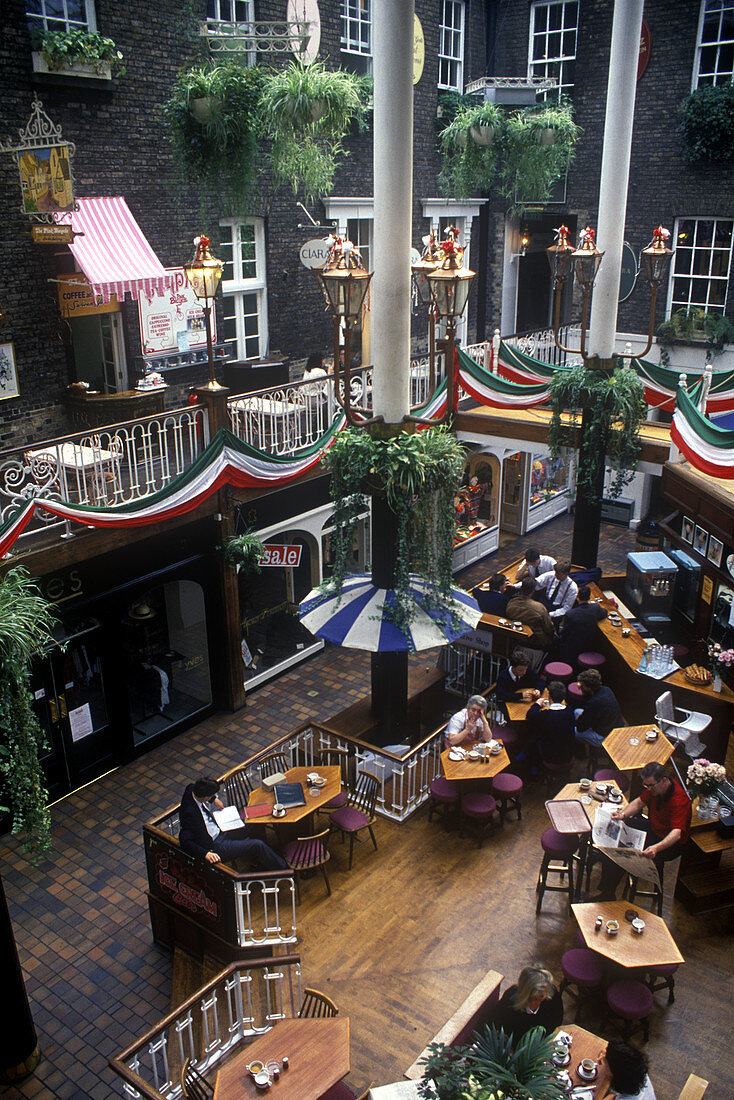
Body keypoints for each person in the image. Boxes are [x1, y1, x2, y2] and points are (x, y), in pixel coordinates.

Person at [596, 762, 692, 901]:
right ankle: (608, 874)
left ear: (664, 780)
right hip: (654, 828)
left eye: (650, 785)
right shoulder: (655, 789)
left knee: (621, 855)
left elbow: (676, 834)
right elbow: (639, 803)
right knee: (621, 829)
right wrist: (623, 815)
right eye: (645, 785)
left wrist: (656, 848)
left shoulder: (679, 800)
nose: (648, 789)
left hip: (670, 843)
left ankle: (607, 894)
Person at [179, 777, 287, 871]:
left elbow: (199, 790)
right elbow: (184, 841)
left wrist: (214, 799)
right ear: (204, 797)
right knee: (257, 845)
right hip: (215, 845)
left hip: (222, 829)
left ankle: (260, 859)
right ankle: (285, 869)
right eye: (211, 795)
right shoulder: (189, 814)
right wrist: (205, 853)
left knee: (254, 819)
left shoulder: (192, 789)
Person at [495, 964, 563, 1044]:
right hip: (515, 1043)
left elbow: (556, 1021)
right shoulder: (510, 998)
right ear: (525, 994)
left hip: (542, 1041)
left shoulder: (553, 996)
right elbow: (501, 1024)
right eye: (533, 998)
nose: (536, 1002)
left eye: (541, 997)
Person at [526, 680, 575, 765]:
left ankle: (532, 763)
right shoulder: (570, 711)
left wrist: (537, 704)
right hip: (568, 755)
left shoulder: (545, 715)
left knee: (534, 733)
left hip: (550, 756)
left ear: (549, 696)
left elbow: (530, 715)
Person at [573, 668, 625, 749]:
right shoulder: (606, 689)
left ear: (589, 687)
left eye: (582, 685)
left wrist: (577, 721)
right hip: (614, 727)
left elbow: (580, 728)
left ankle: (581, 753)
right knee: (577, 711)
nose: (580, 685)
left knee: (573, 731)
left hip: (606, 736)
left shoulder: (594, 703)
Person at [559, 584, 608, 662]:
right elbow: (605, 613)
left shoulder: (570, 613)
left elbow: (565, 633)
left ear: (577, 596)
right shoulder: (595, 608)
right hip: (590, 644)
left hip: (571, 647)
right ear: (589, 597)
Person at [506, 578, 556, 649]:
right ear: (532, 591)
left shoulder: (511, 603)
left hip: (516, 637)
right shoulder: (539, 608)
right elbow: (549, 628)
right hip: (536, 641)